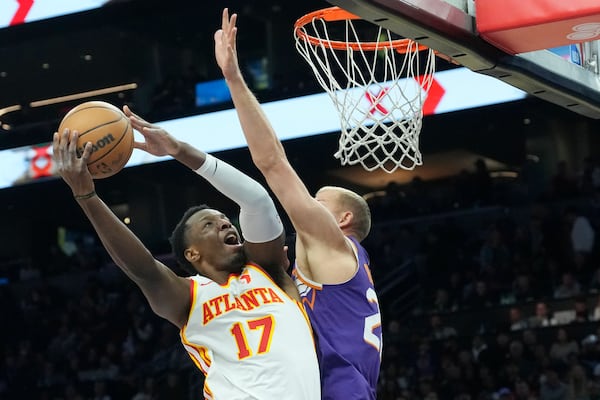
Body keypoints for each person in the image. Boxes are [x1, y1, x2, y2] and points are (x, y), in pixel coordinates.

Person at [52, 116, 321, 399]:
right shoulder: (189, 297)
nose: (226, 224)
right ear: (192, 253)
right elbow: (142, 269)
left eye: (224, 220)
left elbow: (256, 201)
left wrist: (180, 150)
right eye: (209, 225)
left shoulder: (269, 272)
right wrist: (87, 195)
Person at [214, 9, 382, 399]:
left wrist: (234, 78)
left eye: (317, 201)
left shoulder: (335, 247)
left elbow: (271, 162)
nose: (306, 206)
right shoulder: (333, 272)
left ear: (342, 219)